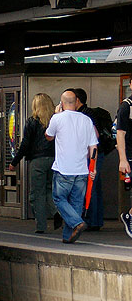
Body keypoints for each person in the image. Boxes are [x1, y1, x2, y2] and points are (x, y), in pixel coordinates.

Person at [46, 90, 98, 243]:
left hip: (63, 168)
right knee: (76, 202)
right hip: (82, 169)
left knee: (59, 198)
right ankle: (68, 236)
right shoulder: (87, 120)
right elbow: (93, 146)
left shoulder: (57, 118)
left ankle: (77, 223)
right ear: (76, 103)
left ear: (61, 103)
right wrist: (92, 168)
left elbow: (48, 136)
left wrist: (56, 114)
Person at [9, 93, 56, 233]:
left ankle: (41, 226)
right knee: (50, 190)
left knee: (37, 194)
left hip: (38, 161)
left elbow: (25, 144)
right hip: (55, 160)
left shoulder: (32, 121)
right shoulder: (56, 120)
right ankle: (57, 212)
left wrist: (15, 161)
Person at [70, 88, 111, 230]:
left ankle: (91, 219)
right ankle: (96, 220)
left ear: (77, 100)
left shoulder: (84, 115)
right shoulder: (90, 113)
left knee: (90, 187)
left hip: (91, 155)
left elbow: (94, 136)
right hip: (98, 154)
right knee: (95, 187)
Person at [115, 77, 132, 239]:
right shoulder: (126, 106)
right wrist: (123, 159)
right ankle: (129, 216)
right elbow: (120, 133)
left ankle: (130, 215)